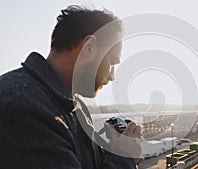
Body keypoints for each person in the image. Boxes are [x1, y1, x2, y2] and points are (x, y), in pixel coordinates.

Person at [0, 5, 141, 169]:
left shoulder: (70, 106)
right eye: (112, 63)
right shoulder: (22, 105)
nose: (112, 76)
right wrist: (123, 159)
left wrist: (113, 149)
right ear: (89, 47)